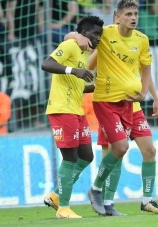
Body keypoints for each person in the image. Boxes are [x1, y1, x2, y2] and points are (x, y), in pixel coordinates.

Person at [64, 0, 158, 216]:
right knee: (117, 149)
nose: (133, 18)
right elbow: (78, 39)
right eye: (128, 14)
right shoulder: (106, 34)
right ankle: (98, 192)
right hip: (107, 102)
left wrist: (148, 94)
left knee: (149, 150)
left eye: (136, 14)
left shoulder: (142, 40)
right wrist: (77, 38)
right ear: (117, 17)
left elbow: (145, 70)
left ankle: (146, 200)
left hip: (132, 104)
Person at [41, 15, 104, 219]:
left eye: (100, 35)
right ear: (83, 33)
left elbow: (75, 82)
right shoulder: (70, 44)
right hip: (62, 109)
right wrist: (73, 70)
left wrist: (93, 87)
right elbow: (47, 64)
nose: (98, 39)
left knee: (87, 155)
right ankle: (64, 209)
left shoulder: (83, 52)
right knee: (70, 158)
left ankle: (57, 195)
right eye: (95, 34)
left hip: (76, 110)